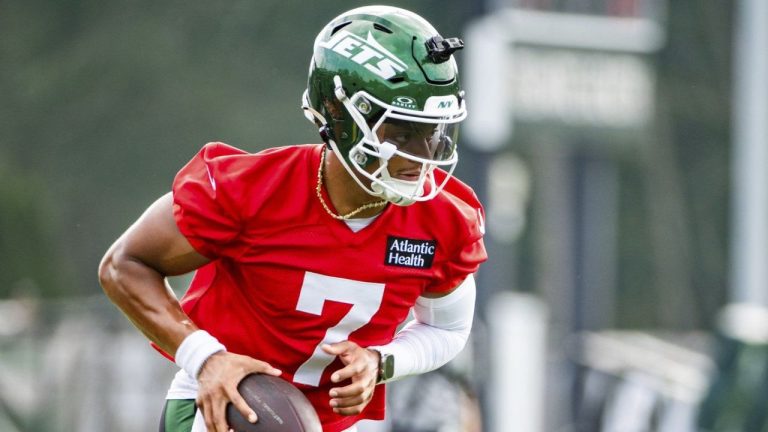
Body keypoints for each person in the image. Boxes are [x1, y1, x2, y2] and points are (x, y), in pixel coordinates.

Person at [98, 5, 486, 432]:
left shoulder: (444, 219)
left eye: (431, 133)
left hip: (340, 424)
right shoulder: (252, 189)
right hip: (225, 412)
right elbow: (124, 265)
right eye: (401, 133)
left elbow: (448, 330)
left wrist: (381, 360)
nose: (423, 156)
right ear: (340, 118)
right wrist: (207, 359)